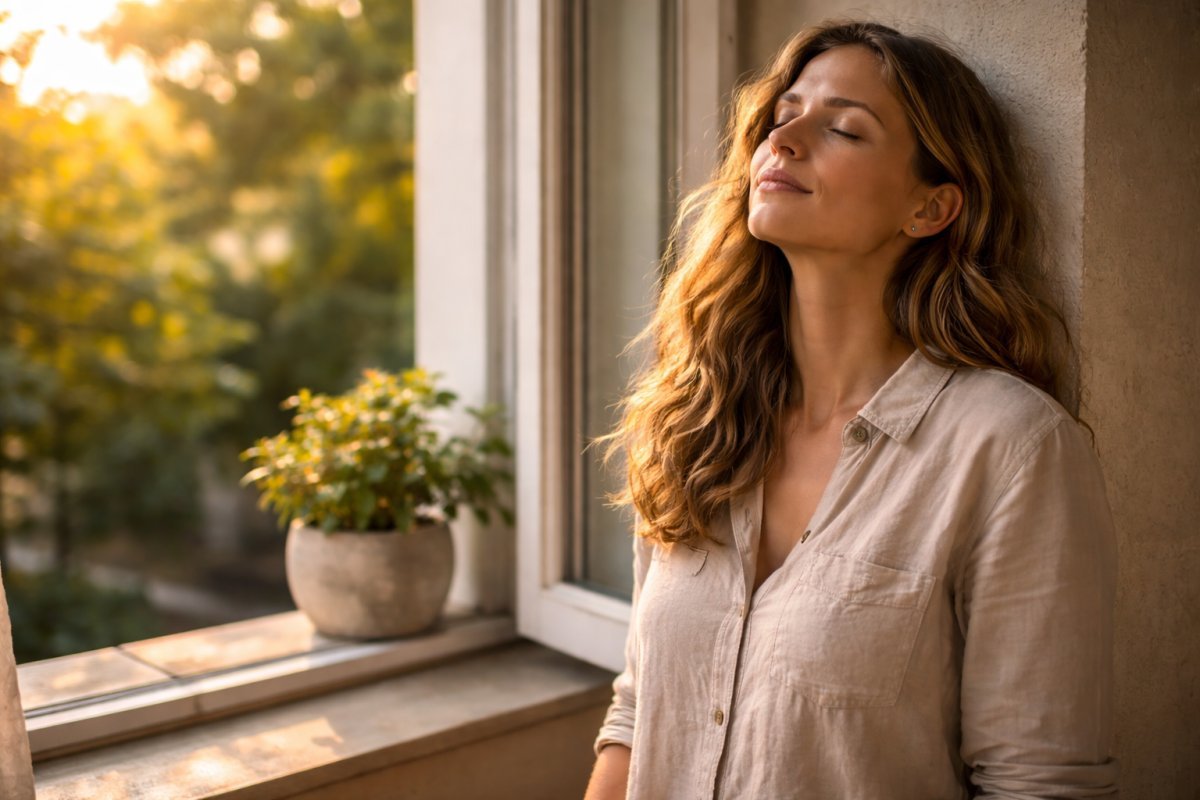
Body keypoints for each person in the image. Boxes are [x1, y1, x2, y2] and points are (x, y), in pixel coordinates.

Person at [583, 20, 1118, 800]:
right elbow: (639, 712)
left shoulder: (1010, 449)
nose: (786, 138)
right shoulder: (694, 416)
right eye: (782, 115)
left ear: (930, 209)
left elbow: (1042, 782)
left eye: (842, 128)